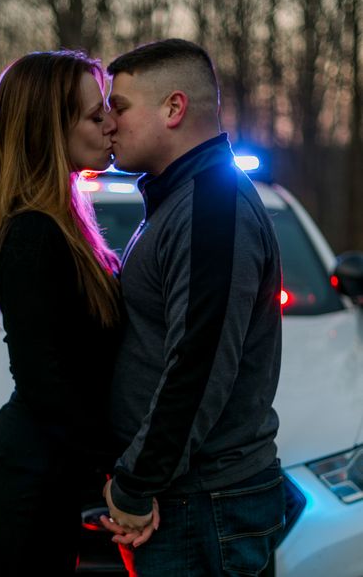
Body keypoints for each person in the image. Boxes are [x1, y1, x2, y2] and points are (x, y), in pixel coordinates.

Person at [100, 39, 286, 577]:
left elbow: (199, 365)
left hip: (202, 505)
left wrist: (136, 484)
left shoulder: (211, 207)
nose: (109, 124)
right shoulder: (182, 200)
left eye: (120, 107)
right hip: (188, 500)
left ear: (174, 109)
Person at [0, 50, 121, 576]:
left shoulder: (65, 223)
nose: (109, 124)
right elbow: (46, 384)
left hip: (46, 475)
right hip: (22, 483)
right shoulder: (34, 233)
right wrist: (115, 477)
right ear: (50, 128)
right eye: (94, 115)